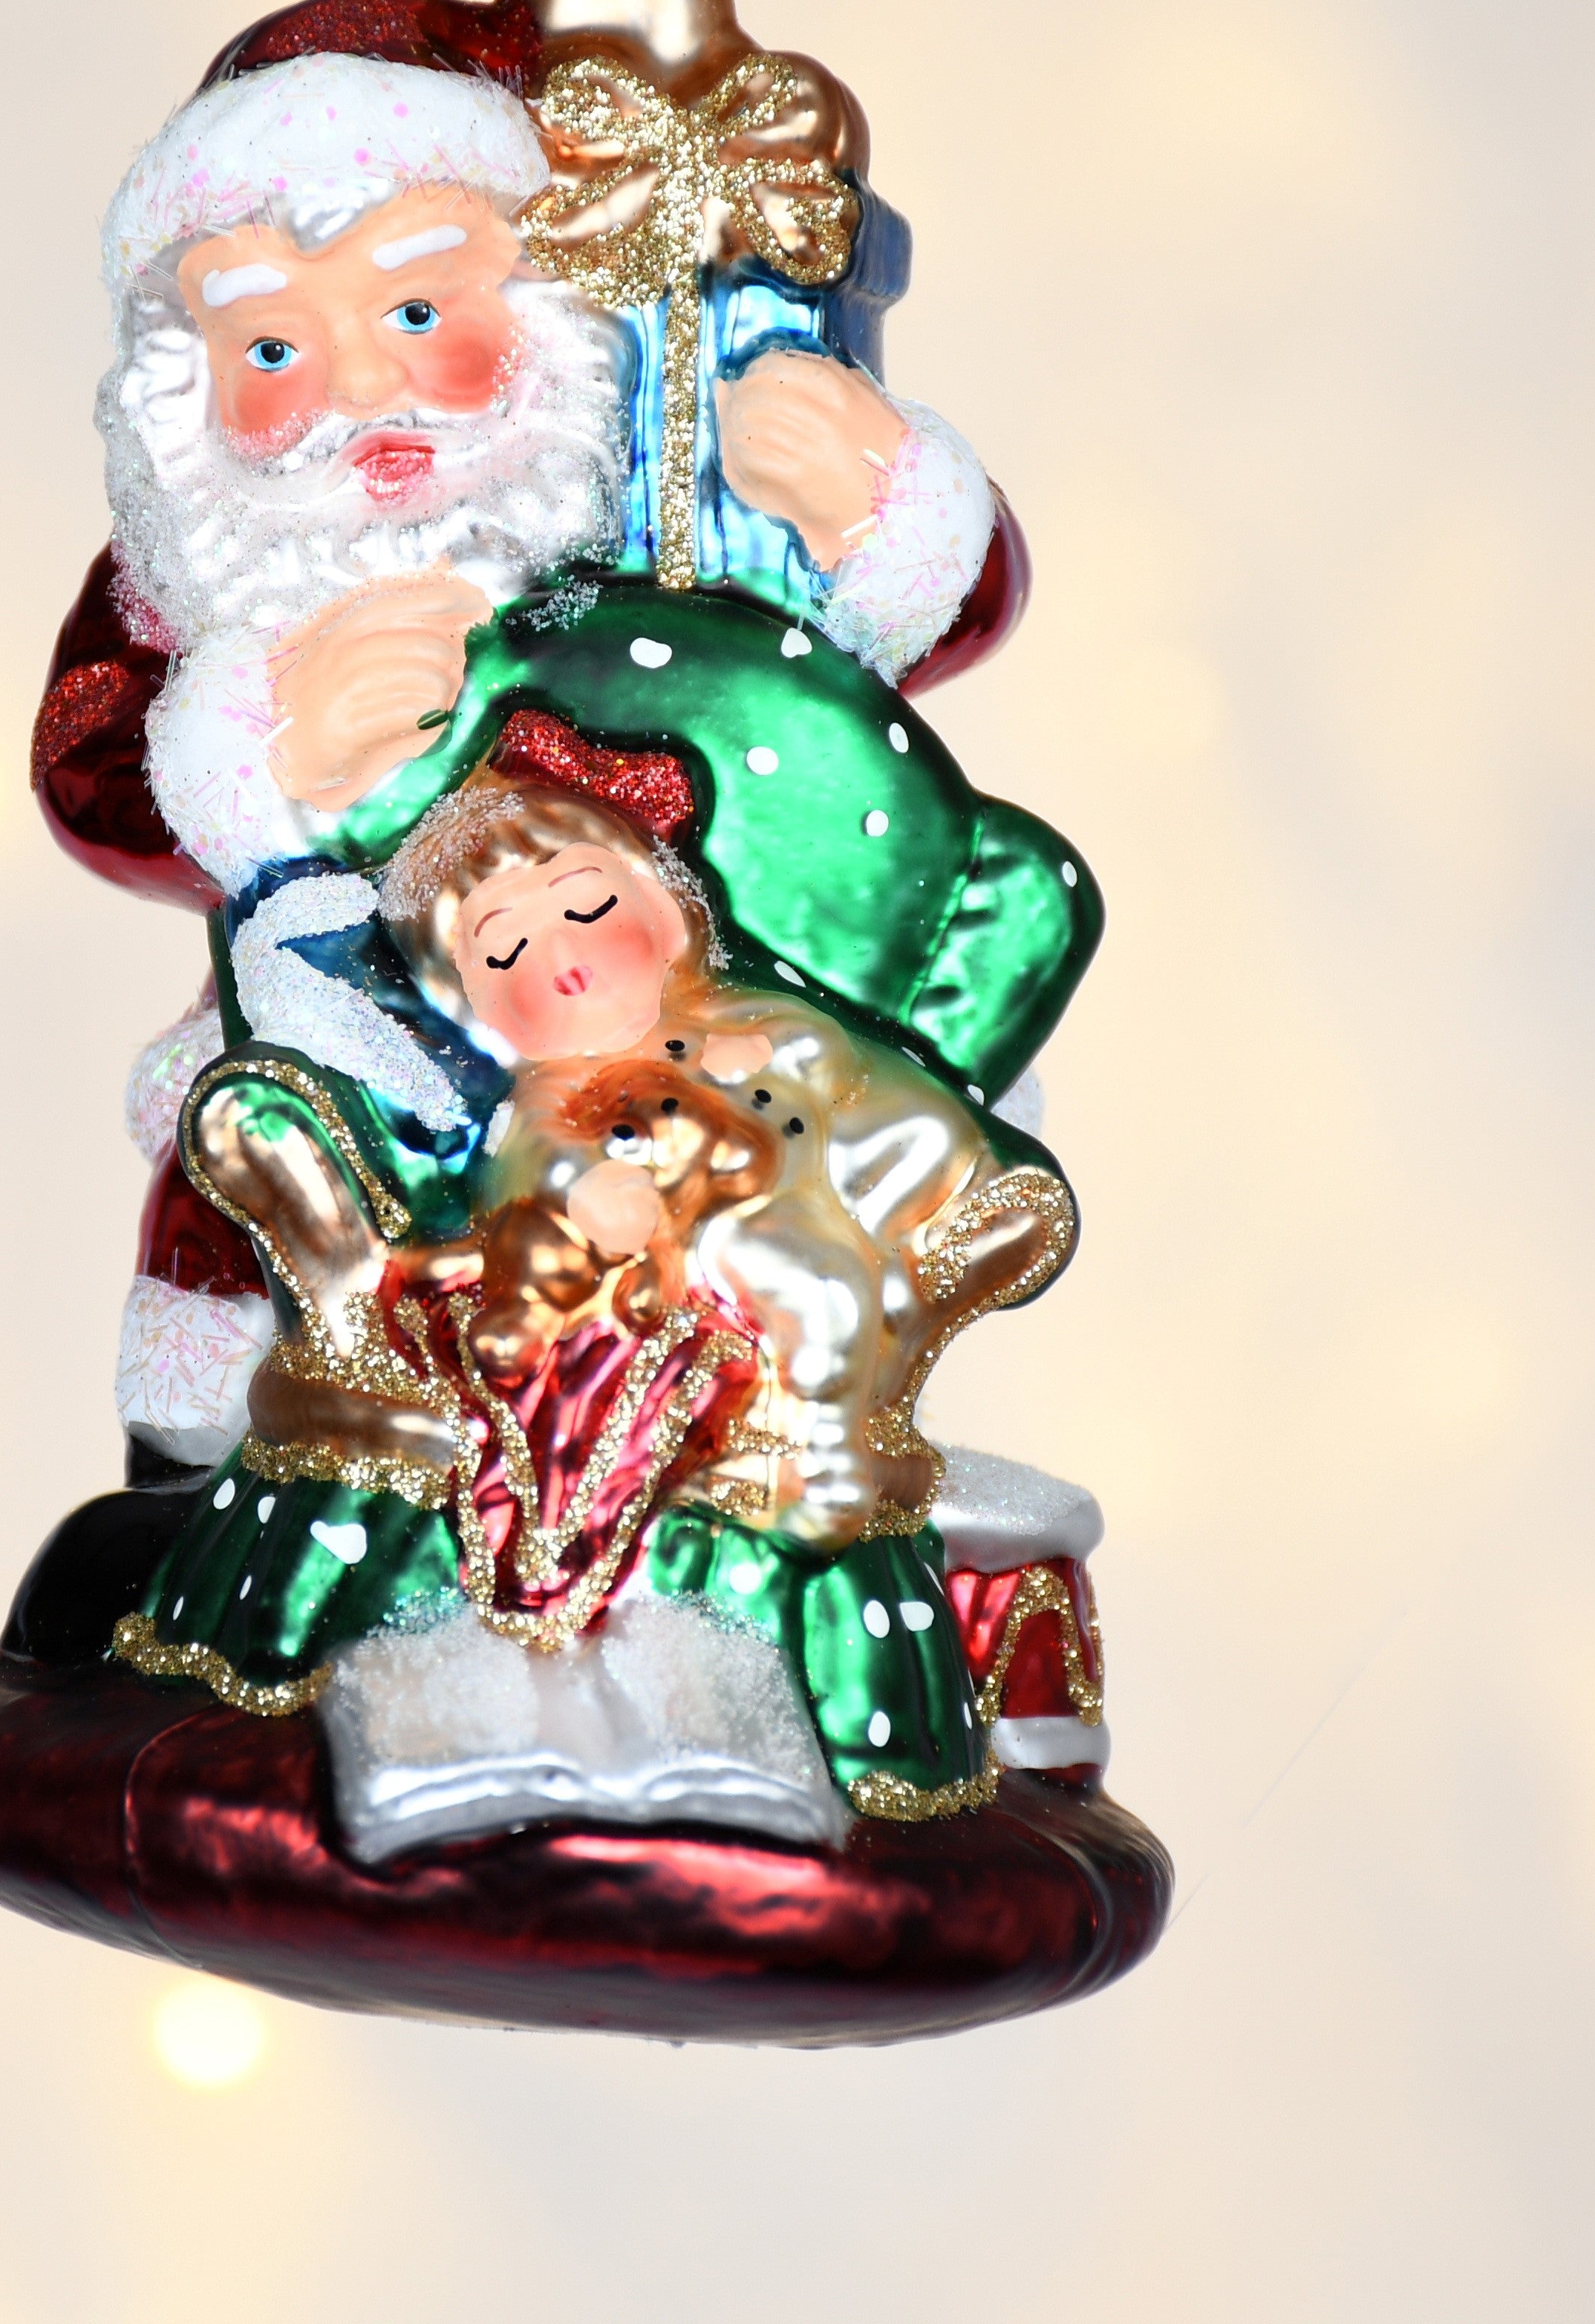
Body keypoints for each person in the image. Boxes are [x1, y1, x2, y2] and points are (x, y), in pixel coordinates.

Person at [50, 0, 1037, 1472]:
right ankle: (273, 1446)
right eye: (273, 350)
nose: (360, 392)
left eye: (414, 312)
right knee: (264, 1209)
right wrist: (262, 752)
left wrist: (887, 512)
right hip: (360, 1031)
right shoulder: (197, 577)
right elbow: (90, 772)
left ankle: (756, 1397)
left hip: (662, 1004)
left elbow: (841, 671)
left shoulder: (601, 500)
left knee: (754, 1205)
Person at [114, 745, 1086, 1845]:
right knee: (773, 1286)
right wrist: (598, 1195)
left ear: (665, 923)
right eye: (507, 949)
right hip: (652, 1285)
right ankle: (767, 1495)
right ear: (477, 1005)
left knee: (830, 1270)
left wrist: (938, 1170)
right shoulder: (551, 1097)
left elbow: (886, 1113)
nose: (563, 956)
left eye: (587, 907)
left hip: (810, 1226)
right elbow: (540, 1176)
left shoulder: (776, 1031)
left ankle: (828, 1424)